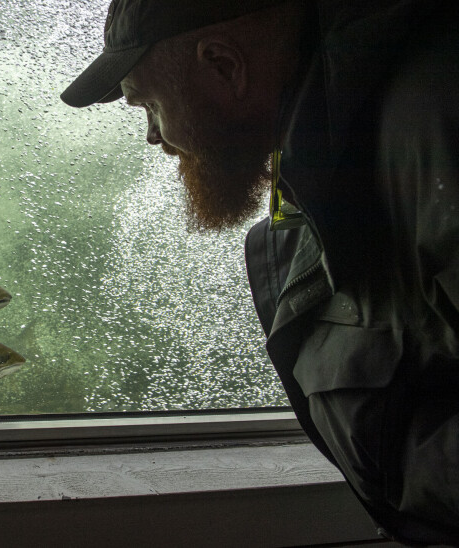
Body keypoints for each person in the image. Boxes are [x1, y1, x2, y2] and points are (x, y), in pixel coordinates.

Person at [61, 0, 459, 544]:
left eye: (148, 106)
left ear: (224, 64)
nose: (153, 137)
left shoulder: (431, 129)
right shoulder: (342, 151)